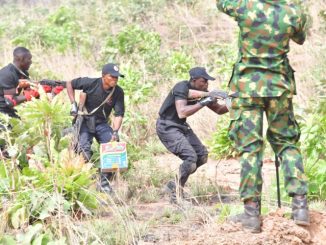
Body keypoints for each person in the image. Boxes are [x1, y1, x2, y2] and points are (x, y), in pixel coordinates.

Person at [216, 0, 309, 232]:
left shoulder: (244, 6)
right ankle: (300, 206)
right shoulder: (293, 11)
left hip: (248, 89)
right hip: (279, 88)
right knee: (287, 143)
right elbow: (300, 38)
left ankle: (251, 214)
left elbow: (221, 3)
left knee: (250, 149)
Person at [156, 67, 228, 204]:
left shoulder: (204, 93)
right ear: (194, 80)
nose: (206, 85)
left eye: (208, 82)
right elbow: (182, 112)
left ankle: (174, 184)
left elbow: (219, 109)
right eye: (203, 81)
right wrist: (204, 101)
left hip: (181, 126)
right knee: (190, 157)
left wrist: (235, 102)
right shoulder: (181, 87)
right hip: (167, 126)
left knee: (202, 156)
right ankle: (176, 196)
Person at [66, 63, 125, 193]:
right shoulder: (90, 83)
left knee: (113, 146)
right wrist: (73, 104)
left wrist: (115, 132)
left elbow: (119, 114)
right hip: (84, 121)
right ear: (103, 76)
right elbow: (69, 83)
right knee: (83, 152)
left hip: (101, 123)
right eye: (112, 77)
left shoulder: (118, 92)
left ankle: (104, 184)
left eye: (117, 77)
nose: (115, 80)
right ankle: (83, 182)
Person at [0, 47, 39, 119]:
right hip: (2, 111)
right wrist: (30, 95)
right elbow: (10, 102)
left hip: (8, 110)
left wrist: (47, 91)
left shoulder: (23, 73)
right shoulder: (7, 74)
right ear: (20, 59)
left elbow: (29, 92)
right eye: (29, 59)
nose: (31, 62)